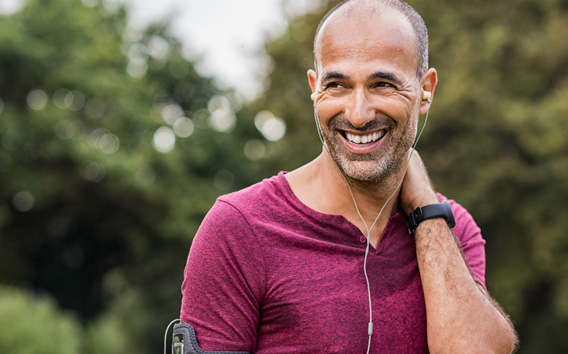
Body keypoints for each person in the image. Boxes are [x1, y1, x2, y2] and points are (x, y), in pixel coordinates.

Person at [178, 0, 518, 353]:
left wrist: (424, 208)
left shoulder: (452, 229)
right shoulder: (238, 229)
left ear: (425, 90)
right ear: (314, 88)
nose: (358, 115)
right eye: (337, 85)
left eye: (383, 84)